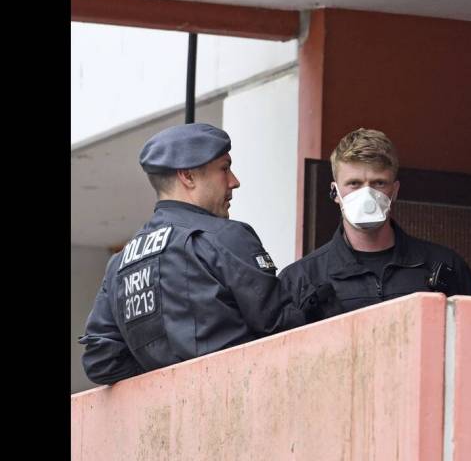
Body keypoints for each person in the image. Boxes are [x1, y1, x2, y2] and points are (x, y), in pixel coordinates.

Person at [79, 123, 305, 385]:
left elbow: (102, 362)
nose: (234, 181)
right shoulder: (224, 237)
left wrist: (167, 381)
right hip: (243, 393)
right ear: (188, 177)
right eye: (224, 168)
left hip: (168, 409)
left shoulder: (120, 263)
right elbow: (281, 325)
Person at [278, 128, 471, 322]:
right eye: (354, 184)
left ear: (395, 190)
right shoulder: (301, 280)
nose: (367, 195)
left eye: (379, 183)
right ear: (335, 192)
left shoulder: (444, 266)